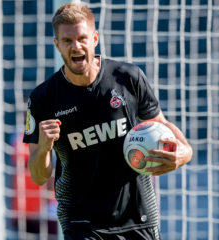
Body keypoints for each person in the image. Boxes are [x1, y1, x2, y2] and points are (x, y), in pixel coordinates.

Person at [23, 3, 193, 239]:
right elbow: (39, 176)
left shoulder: (128, 78)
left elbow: (161, 125)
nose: (76, 46)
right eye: (67, 41)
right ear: (57, 44)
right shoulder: (43, 99)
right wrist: (43, 148)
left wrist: (185, 152)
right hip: (81, 221)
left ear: (95, 38)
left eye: (82, 38)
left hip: (137, 216)